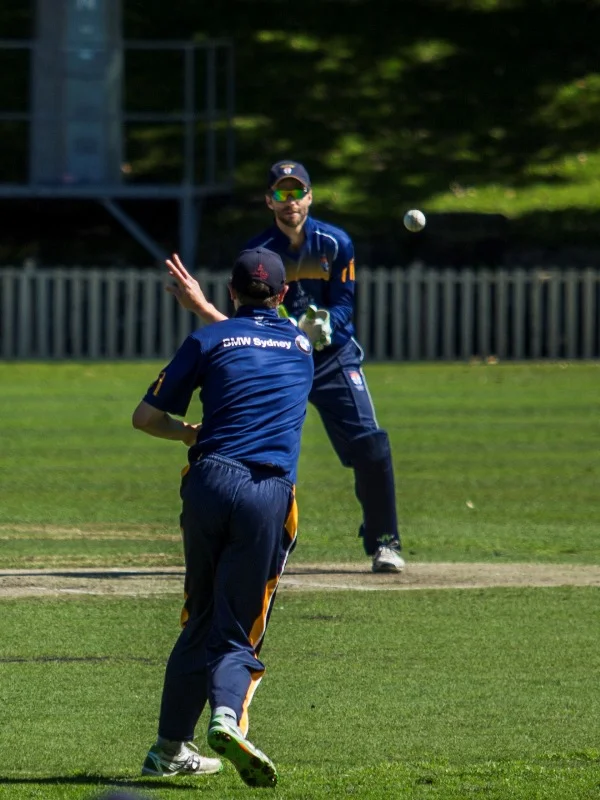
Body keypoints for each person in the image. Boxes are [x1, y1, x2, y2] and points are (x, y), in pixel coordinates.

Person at [133, 247, 314, 788]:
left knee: (202, 617)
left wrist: (187, 432)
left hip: (208, 481)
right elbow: (260, 336)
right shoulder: (302, 347)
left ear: (232, 291)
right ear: (283, 297)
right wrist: (211, 310)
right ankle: (227, 718)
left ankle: (168, 749)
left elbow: (146, 417)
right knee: (238, 629)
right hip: (265, 493)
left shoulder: (208, 339)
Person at [167, 160, 404, 574]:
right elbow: (248, 313)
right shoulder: (259, 253)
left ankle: (385, 539)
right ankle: (258, 535)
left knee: (370, 444)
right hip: (277, 358)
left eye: (297, 192)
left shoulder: (335, 243)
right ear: (268, 200)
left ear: (310, 196)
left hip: (332, 358)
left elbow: (345, 302)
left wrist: (326, 325)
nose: (289, 201)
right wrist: (292, 330)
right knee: (260, 447)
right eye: (281, 192)